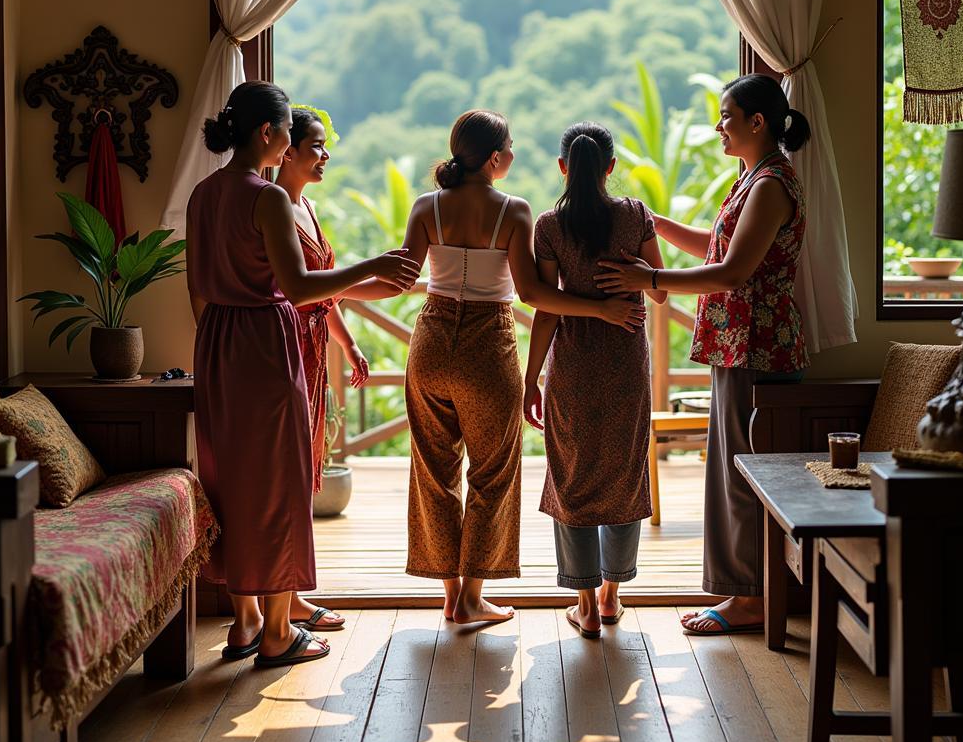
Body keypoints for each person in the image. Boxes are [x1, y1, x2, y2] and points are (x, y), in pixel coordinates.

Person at [186, 81, 419, 666]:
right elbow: (297, 287)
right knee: (281, 484)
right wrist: (373, 265)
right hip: (265, 340)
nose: (292, 143)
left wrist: (222, 329)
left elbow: (195, 288)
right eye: (289, 131)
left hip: (215, 341)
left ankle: (244, 623)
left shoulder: (202, 193)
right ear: (268, 135)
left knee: (232, 480)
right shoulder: (266, 198)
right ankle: (278, 633)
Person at [399, 109, 647, 626]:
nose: (513, 154)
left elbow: (401, 277)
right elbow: (536, 295)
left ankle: (449, 597)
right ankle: (472, 596)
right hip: (487, 346)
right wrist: (603, 306)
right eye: (509, 147)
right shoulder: (514, 211)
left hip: (430, 342)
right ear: (494, 159)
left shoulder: (427, 207)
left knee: (433, 470)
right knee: (492, 474)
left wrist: (331, 289)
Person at [594, 74, 811, 636]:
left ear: (756, 122)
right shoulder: (753, 179)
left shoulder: (770, 185)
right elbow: (717, 247)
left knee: (743, 472)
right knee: (734, 465)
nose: (719, 126)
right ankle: (746, 592)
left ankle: (751, 600)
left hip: (758, 344)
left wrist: (653, 276)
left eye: (726, 116)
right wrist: (654, 224)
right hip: (740, 343)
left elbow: (733, 272)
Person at [524, 122, 667, 639]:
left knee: (573, 475)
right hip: (626, 364)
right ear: (610, 168)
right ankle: (611, 597)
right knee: (625, 472)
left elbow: (543, 308)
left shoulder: (549, 226)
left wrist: (530, 377)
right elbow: (661, 292)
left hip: (573, 366)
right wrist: (631, 273)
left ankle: (584, 603)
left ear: (563, 167)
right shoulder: (633, 215)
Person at [275, 107, 405, 634]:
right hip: (285, 348)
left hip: (313, 349)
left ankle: (295, 593)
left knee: (305, 471)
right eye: (316, 146)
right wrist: (373, 270)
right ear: (286, 150)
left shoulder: (306, 207)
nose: (325, 155)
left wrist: (348, 345)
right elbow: (304, 288)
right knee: (287, 475)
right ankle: (284, 599)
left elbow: (329, 290)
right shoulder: (275, 208)